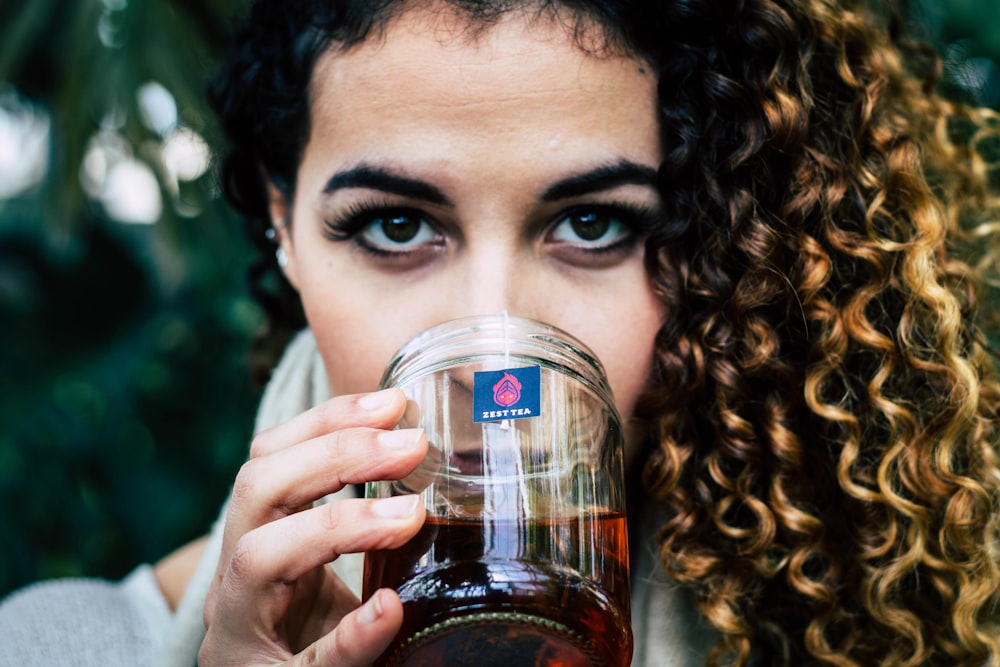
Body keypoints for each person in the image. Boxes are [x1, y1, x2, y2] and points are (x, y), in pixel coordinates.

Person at [3, 0, 1000, 664]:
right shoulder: (61, 647)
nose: (493, 348)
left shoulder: (870, 623)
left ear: (711, 244)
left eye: (595, 223)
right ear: (284, 229)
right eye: (395, 226)